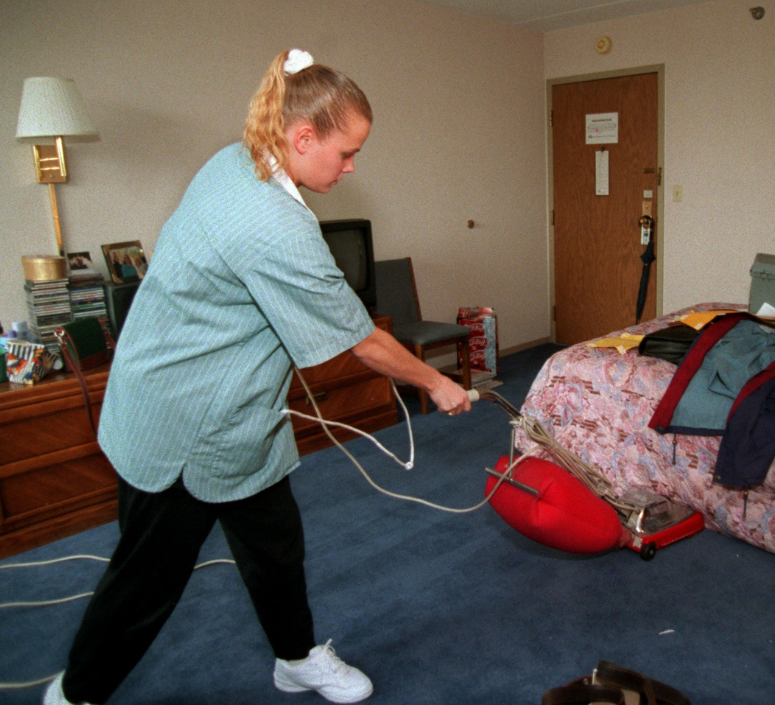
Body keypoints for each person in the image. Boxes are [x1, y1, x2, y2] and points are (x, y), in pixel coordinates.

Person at [45, 49, 471, 705]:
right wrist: (438, 384)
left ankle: (295, 657)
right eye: (347, 152)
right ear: (303, 137)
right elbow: (362, 341)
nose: (352, 165)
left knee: (274, 546)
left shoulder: (237, 157)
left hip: (242, 418)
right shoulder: (271, 224)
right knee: (147, 580)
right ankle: (75, 694)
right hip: (183, 420)